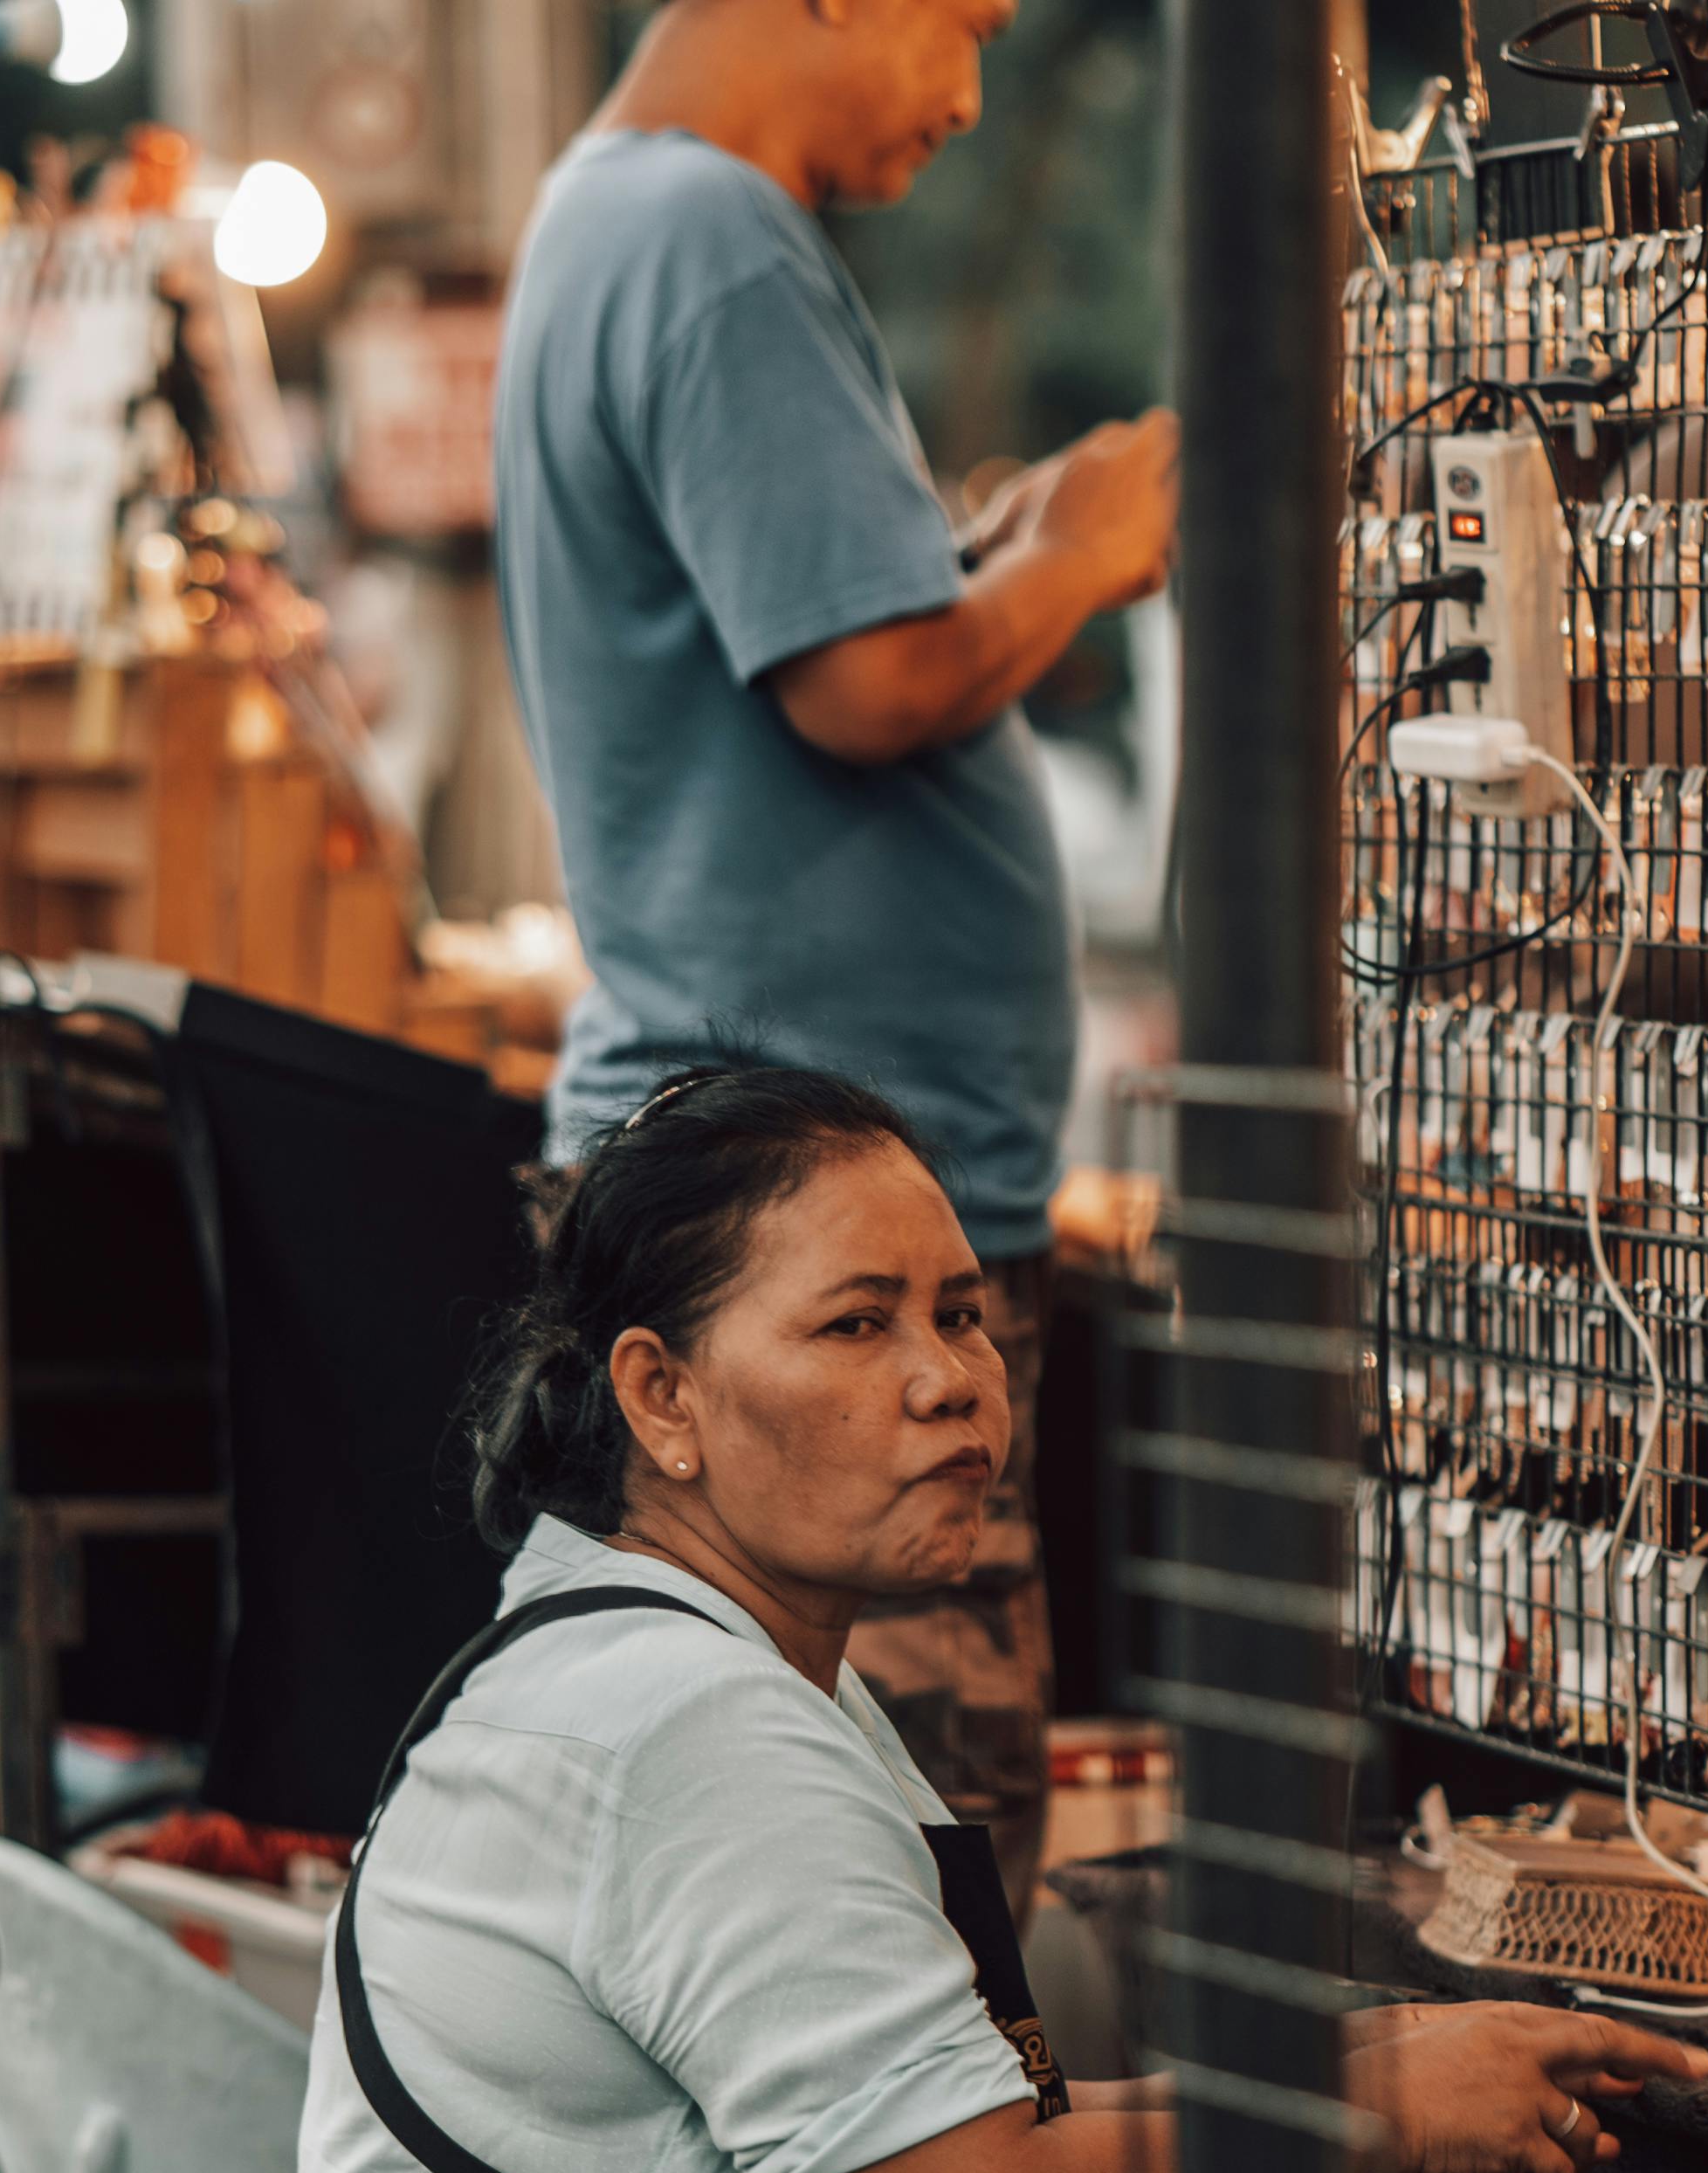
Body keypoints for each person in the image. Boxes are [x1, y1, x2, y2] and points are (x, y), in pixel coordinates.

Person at [256, 1063, 1708, 2173]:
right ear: (663, 1396)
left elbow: (969, 2135)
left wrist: (1377, 2066)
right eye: (858, 1326)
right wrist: (1373, 2098)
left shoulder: (719, 1660)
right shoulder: (678, 1719)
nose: (951, 1380)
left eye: (965, 1314)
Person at [494, 0, 1180, 1912]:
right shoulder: (703, 233)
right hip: (813, 1213)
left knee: (836, 1814)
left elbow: (849, 619)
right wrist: (1093, 547)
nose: (971, 94)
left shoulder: (626, 216)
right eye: (959, 24)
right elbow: (867, 678)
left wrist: (991, 560)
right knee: (894, 1856)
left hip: (802, 1184)